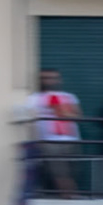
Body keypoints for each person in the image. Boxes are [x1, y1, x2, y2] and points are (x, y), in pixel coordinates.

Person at [25, 69, 82, 197]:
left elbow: (78, 115)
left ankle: (71, 196)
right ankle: (70, 197)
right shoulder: (33, 99)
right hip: (50, 140)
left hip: (71, 139)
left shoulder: (68, 97)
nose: (48, 81)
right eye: (45, 78)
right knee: (59, 171)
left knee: (73, 171)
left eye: (52, 78)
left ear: (59, 80)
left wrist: (61, 111)